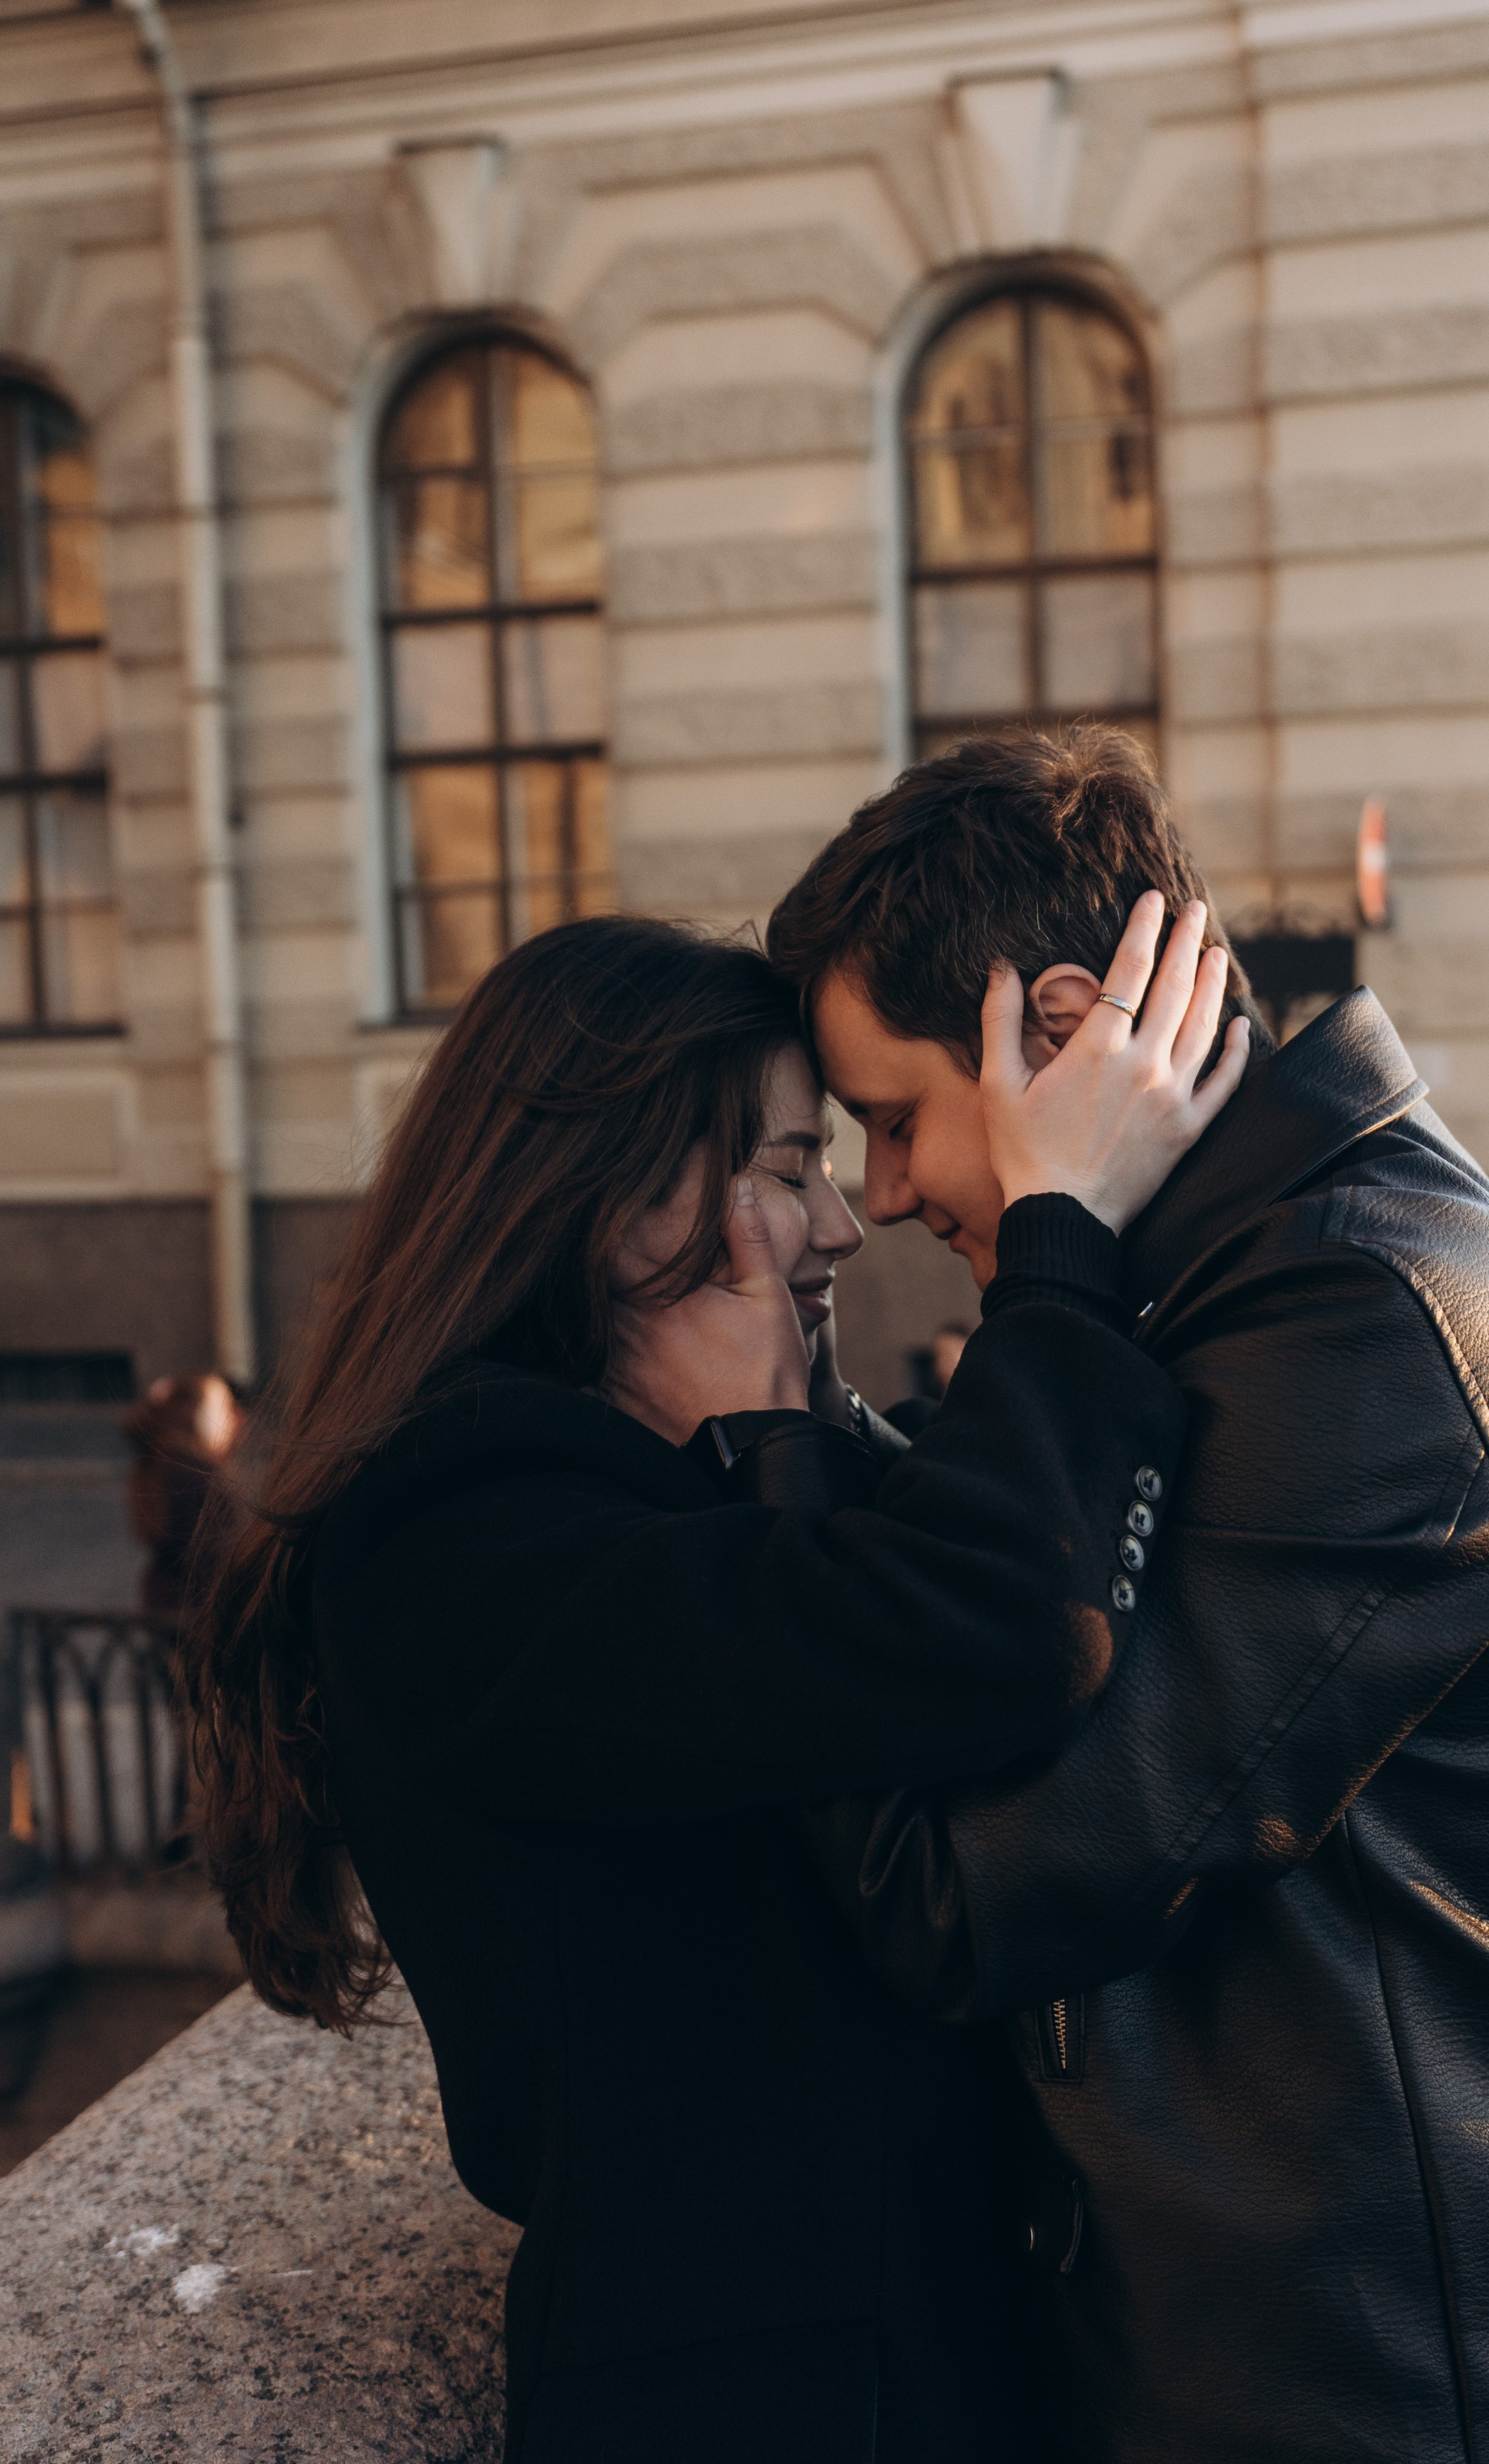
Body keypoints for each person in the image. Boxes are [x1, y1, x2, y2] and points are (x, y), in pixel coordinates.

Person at [767, 727, 1489, 2464]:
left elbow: (972, 1884)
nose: (873, 1196)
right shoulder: (1266, 1271)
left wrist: (760, 1450)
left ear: (1064, 1031)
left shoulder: (1362, 1329)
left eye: (891, 1121)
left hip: (1472, 2402)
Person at [188, 909, 1247, 2464]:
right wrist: (1058, 1231)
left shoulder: (641, 1486)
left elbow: (941, 1567)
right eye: (787, 1166)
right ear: (614, 1197)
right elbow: (1000, 1621)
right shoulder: (461, 1532)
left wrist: (773, 1432)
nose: (837, 1222)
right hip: (746, 2404)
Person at [124, 1371, 242, 1617]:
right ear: (197, 1418)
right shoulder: (197, 1476)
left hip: (169, 1604)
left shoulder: (160, 1467)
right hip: (202, 1611)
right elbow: (213, 1557)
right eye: (225, 1408)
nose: (236, 1419)